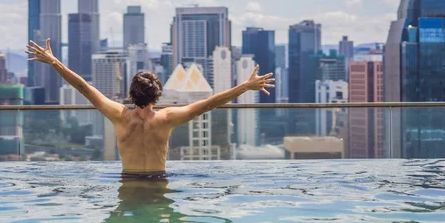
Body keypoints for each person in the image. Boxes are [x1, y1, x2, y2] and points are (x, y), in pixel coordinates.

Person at [26, 39, 275, 179]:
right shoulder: (167, 118)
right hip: (159, 183)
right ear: (158, 94)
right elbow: (210, 103)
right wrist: (244, 86)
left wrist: (54, 61)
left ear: (131, 94)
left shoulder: (119, 115)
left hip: (129, 184)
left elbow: (83, 87)